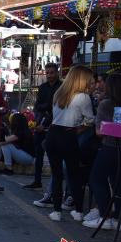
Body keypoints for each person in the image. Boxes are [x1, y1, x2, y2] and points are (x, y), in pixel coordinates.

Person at [44, 65, 95, 222]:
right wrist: (79, 129)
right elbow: (90, 120)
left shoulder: (59, 93)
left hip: (53, 135)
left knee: (57, 174)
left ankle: (57, 210)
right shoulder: (83, 97)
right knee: (74, 175)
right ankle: (78, 211)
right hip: (68, 135)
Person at [84, 73, 121, 229]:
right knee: (117, 182)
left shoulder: (105, 104)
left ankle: (105, 215)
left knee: (97, 178)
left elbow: (100, 131)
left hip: (109, 147)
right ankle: (119, 217)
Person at [25, 63, 62, 190]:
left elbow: (57, 108)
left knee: (54, 155)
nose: (50, 75)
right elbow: (38, 106)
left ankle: (55, 186)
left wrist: (46, 113)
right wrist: (36, 122)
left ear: (57, 73)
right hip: (40, 122)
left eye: (52, 72)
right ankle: (37, 181)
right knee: (38, 152)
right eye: (48, 73)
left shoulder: (61, 87)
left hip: (54, 123)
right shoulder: (43, 87)